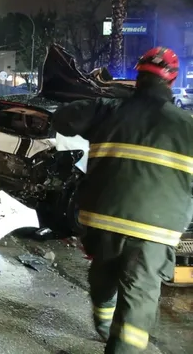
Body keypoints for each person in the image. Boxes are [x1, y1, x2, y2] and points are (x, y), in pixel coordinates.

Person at [51, 47, 193, 353]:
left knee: (103, 274)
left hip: (104, 219)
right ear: (171, 81)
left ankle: (103, 323)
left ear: (137, 77)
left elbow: (62, 119)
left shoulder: (109, 109)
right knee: (138, 299)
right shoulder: (188, 124)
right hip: (156, 231)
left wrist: (107, 99)